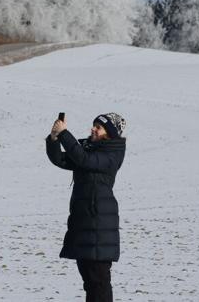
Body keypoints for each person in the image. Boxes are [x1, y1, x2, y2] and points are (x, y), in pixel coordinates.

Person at [46, 112, 127, 302]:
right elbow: (60, 159)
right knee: (91, 283)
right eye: (93, 125)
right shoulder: (89, 151)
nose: (93, 129)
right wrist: (54, 139)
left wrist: (64, 134)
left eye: (98, 127)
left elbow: (83, 159)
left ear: (109, 133)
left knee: (99, 283)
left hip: (99, 227)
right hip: (85, 225)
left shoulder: (111, 154)